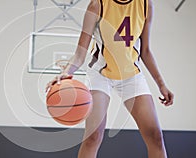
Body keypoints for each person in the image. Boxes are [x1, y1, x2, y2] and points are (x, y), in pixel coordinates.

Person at [46, 0, 174, 157]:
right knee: (93, 137)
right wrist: (66, 72)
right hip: (100, 74)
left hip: (131, 75)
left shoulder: (145, 4)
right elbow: (80, 53)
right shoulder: (97, 4)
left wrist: (161, 84)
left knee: (155, 136)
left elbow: (145, 50)